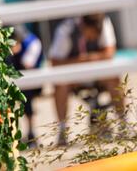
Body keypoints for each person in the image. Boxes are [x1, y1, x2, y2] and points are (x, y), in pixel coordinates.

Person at [49, 12, 125, 145]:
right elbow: (55, 61)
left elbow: (109, 52)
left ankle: (124, 123)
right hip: (74, 77)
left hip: (98, 74)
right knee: (59, 84)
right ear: (83, 25)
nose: (94, 37)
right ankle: (62, 130)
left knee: (115, 79)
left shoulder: (104, 22)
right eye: (91, 33)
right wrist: (85, 60)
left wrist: (87, 59)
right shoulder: (66, 29)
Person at [9, 24, 43, 147]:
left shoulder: (32, 43)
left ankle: (31, 133)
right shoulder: (13, 47)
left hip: (32, 79)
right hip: (16, 76)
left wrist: (14, 52)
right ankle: (13, 135)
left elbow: (27, 64)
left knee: (26, 99)